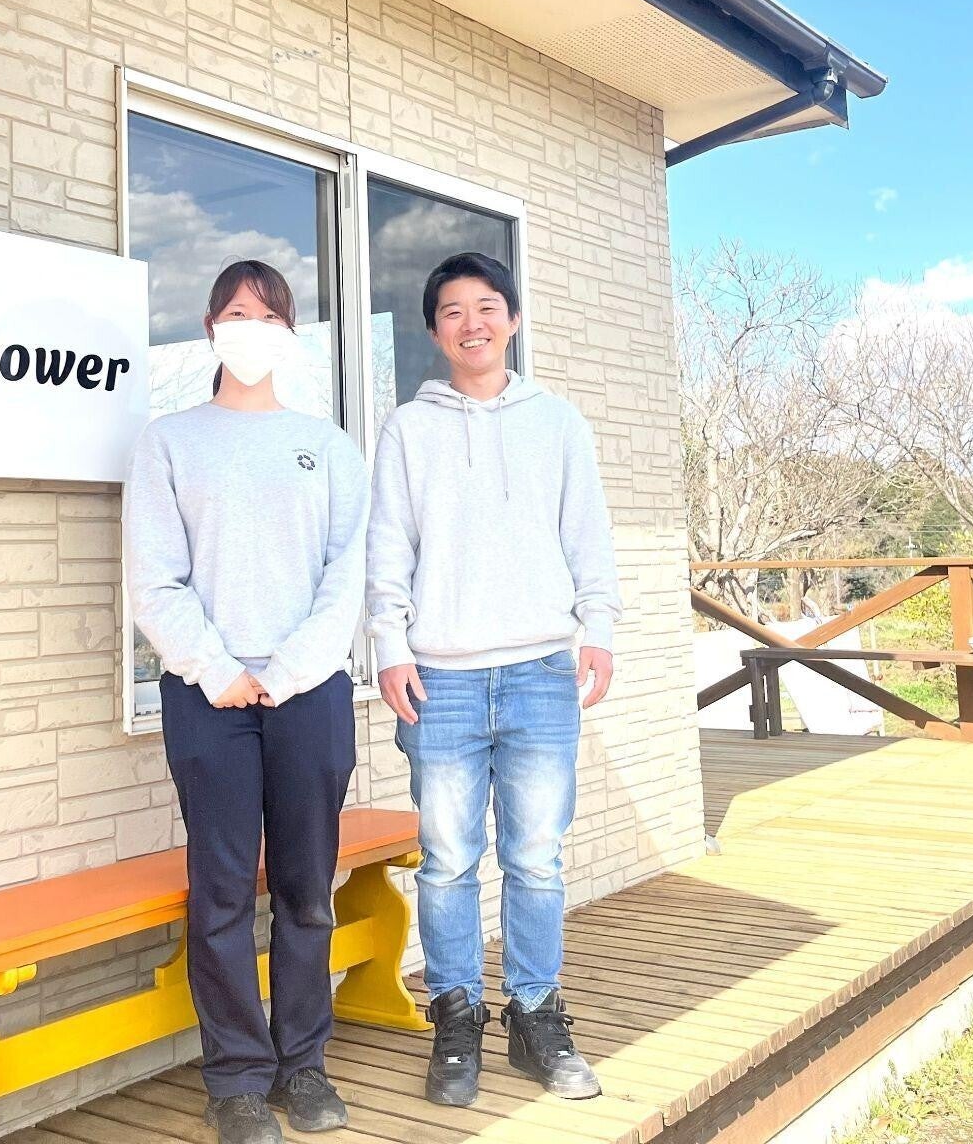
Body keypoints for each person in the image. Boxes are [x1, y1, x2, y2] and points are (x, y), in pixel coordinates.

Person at [365, 251, 622, 1107]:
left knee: (536, 859)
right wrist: (389, 644)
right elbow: (388, 545)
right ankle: (456, 1017)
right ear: (434, 330)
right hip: (439, 678)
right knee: (446, 862)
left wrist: (599, 630)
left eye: (486, 307)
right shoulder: (409, 428)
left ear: (511, 318)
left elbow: (588, 534)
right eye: (452, 311)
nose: (470, 323)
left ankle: (537, 1016)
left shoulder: (558, 422)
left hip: (541, 671)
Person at [125, 260, 369, 1144]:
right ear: (209, 328)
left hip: (310, 690)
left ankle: (303, 1065)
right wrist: (217, 669)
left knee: (306, 887)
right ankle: (235, 1079)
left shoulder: (328, 446)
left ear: (290, 335)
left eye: (269, 317)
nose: (251, 330)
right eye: (236, 313)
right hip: (209, 696)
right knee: (221, 891)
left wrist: (291, 668)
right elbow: (155, 578)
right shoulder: (169, 443)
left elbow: (347, 575)